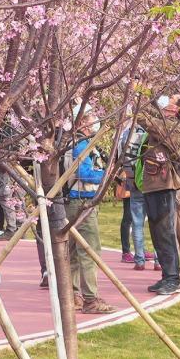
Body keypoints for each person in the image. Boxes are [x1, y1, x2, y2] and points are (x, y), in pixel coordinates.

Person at [137, 94, 180, 296]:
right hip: (153, 186)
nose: (166, 101)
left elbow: (144, 117)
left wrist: (137, 101)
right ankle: (167, 276)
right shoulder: (164, 121)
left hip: (165, 187)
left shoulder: (172, 127)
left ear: (176, 109)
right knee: (157, 234)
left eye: (172, 100)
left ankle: (172, 278)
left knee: (166, 233)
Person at [59, 116, 107, 316]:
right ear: (82, 121)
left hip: (71, 202)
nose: (94, 121)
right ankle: (90, 299)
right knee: (88, 250)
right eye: (90, 117)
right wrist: (106, 174)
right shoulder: (81, 145)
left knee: (72, 252)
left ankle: (74, 295)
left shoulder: (70, 142)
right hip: (81, 201)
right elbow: (84, 173)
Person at [114, 127, 149, 268]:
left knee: (137, 223)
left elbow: (119, 158)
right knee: (156, 223)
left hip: (133, 182)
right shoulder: (150, 133)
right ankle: (159, 260)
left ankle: (139, 259)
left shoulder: (126, 133)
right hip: (150, 184)